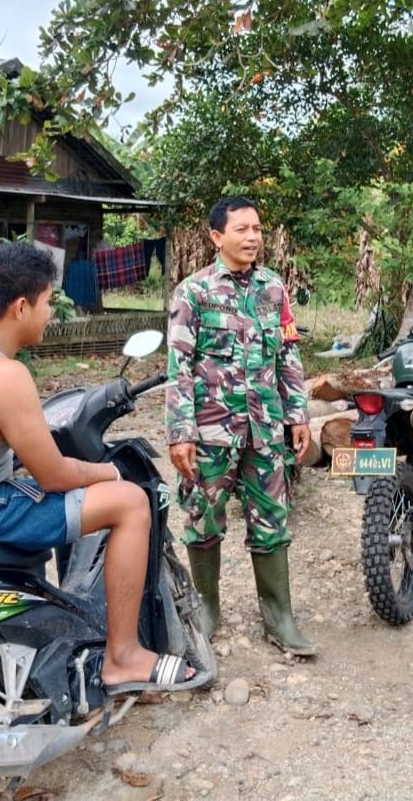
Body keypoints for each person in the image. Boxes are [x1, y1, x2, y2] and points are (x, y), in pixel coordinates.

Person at [0, 242, 193, 694]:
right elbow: (54, 476)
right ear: (20, 307)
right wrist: (111, 473)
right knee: (130, 503)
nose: (51, 313)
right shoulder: (5, 376)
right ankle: (123, 657)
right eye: (48, 302)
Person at [166, 196, 317, 657]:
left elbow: (288, 355)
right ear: (217, 236)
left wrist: (298, 414)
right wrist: (181, 433)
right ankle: (206, 609)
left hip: (265, 430)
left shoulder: (274, 288)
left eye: (257, 229)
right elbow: (178, 367)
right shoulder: (194, 292)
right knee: (203, 519)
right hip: (212, 431)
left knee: (272, 520)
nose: (252, 237)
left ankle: (279, 617)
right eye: (242, 229)